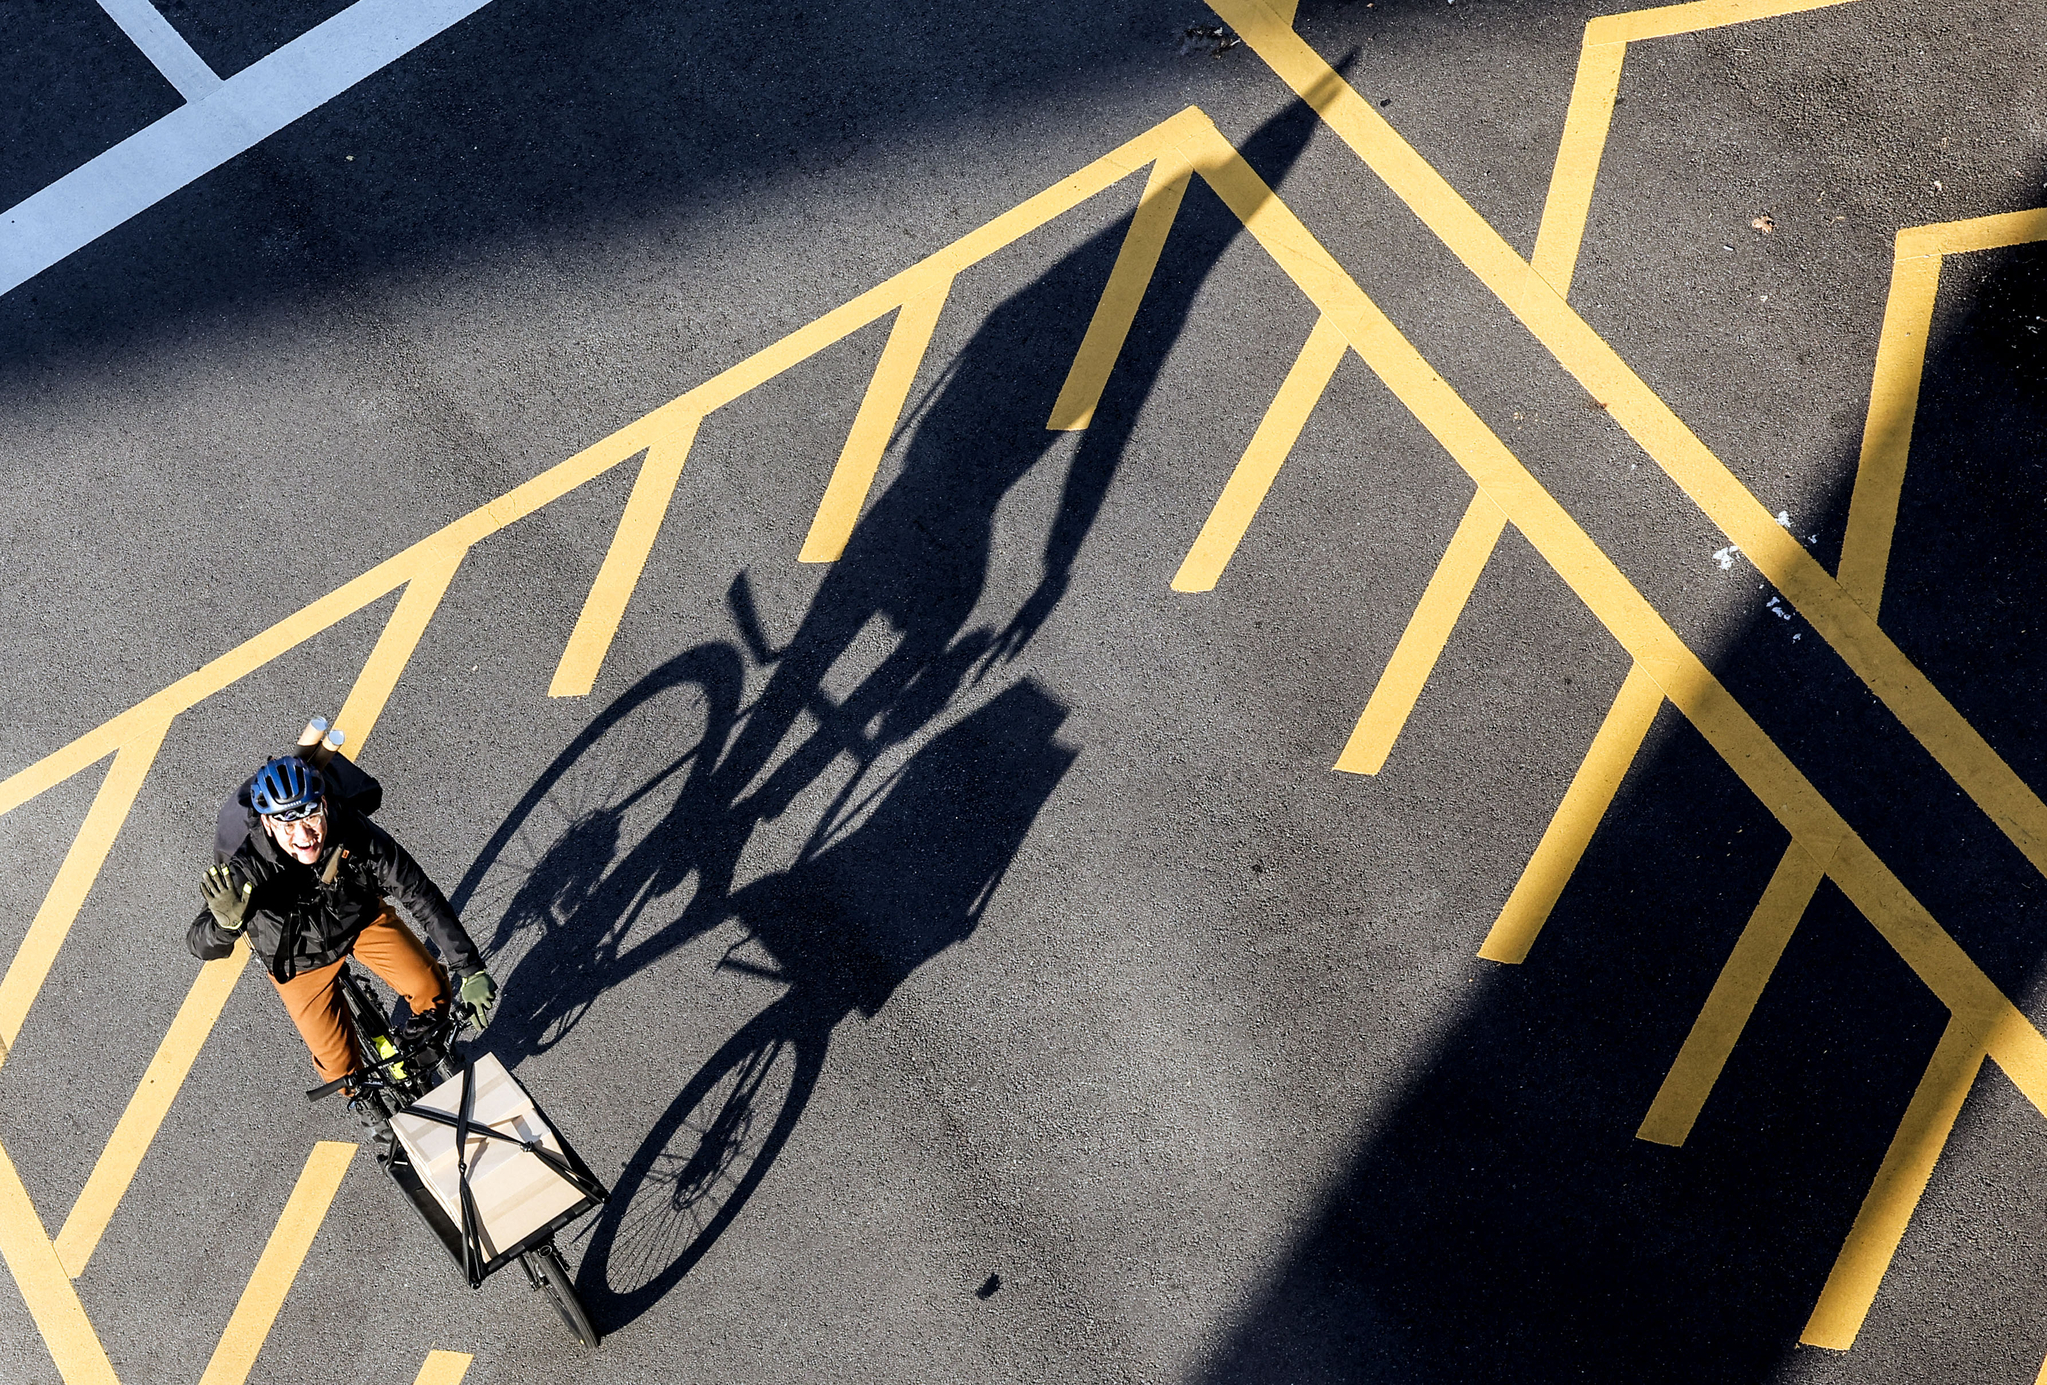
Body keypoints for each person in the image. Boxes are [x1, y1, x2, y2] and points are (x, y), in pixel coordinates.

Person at [187, 752, 498, 1088]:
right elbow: (199, 943)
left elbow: (418, 892)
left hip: (360, 920)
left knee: (433, 991)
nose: (304, 836)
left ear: (323, 805)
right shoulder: (247, 866)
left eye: (310, 818)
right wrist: (226, 924)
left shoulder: (352, 829)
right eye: (287, 825)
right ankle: (365, 1104)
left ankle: (411, 1053)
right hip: (297, 958)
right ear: (267, 824)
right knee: (341, 1071)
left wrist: (470, 968)